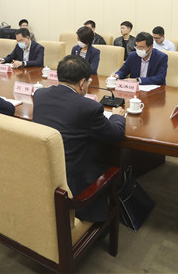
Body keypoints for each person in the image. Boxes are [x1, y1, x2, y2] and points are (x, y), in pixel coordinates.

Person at [33, 55, 126, 221]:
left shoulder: (40, 94)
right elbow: (115, 134)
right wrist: (117, 116)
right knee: (112, 167)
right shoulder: (89, 107)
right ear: (83, 82)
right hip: (73, 185)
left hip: (43, 171)